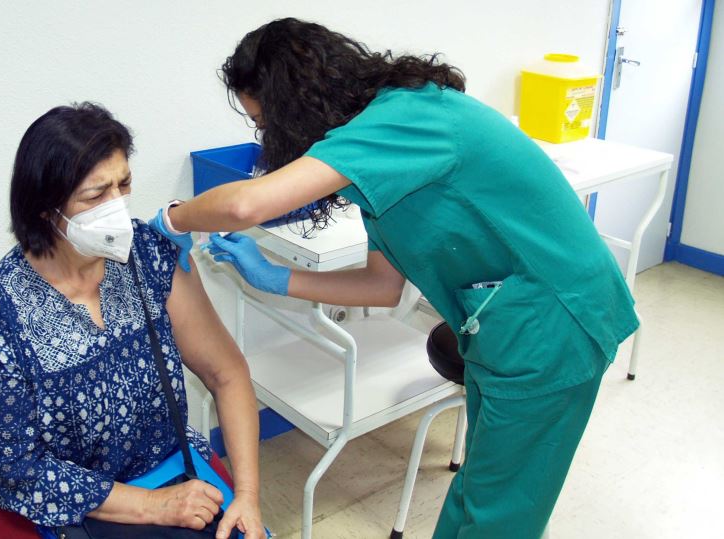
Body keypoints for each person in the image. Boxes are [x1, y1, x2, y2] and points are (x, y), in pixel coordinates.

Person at [148, 18, 639, 539]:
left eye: (265, 120)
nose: (266, 136)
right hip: (506, 326)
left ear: (296, 98)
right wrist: (276, 277)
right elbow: (384, 286)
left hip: (554, 323)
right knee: (480, 488)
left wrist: (174, 218)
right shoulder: (376, 153)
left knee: (502, 513)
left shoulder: (407, 118)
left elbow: (248, 201)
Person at [0, 103, 265, 539]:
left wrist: (248, 496)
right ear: (46, 209)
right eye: (95, 195)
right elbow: (16, 467)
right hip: (74, 504)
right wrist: (150, 506)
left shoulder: (147, 255)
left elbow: (227, 372)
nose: (117, 207)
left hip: (169, 472)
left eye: (123, 185)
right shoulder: (1, 311)